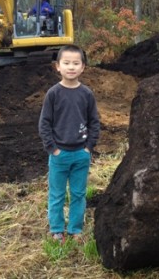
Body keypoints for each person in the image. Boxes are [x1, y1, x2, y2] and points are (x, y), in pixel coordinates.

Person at [38, 45, 100, 243]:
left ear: (83, 67)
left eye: (76, 63)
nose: (71, 67)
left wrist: (88, 147)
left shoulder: (87, 94)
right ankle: (57, 229)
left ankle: (75, 229)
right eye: (66, 63)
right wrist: (53, 149)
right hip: (59, 154)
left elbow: (94, 122)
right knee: (56, 194)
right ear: (58, 66)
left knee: (78, 194)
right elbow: (44, 123)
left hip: (81, 154)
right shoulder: (53, 94)